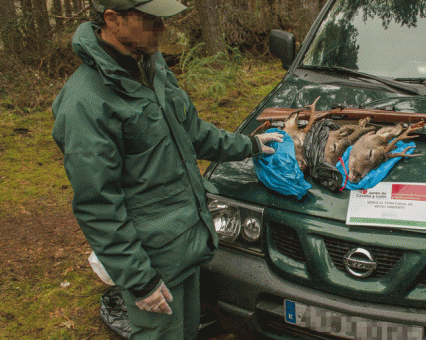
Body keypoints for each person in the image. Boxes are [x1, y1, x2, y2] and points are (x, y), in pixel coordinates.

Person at [51, 0, 282, 338]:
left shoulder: (151, 68)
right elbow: (99, 206)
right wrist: (140, 281)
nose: (162, 29)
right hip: (152, 262)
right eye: (149, 20)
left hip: (189, 242)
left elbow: (194, 133)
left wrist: (251, 145)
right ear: (112, 20)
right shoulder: (86, 102)